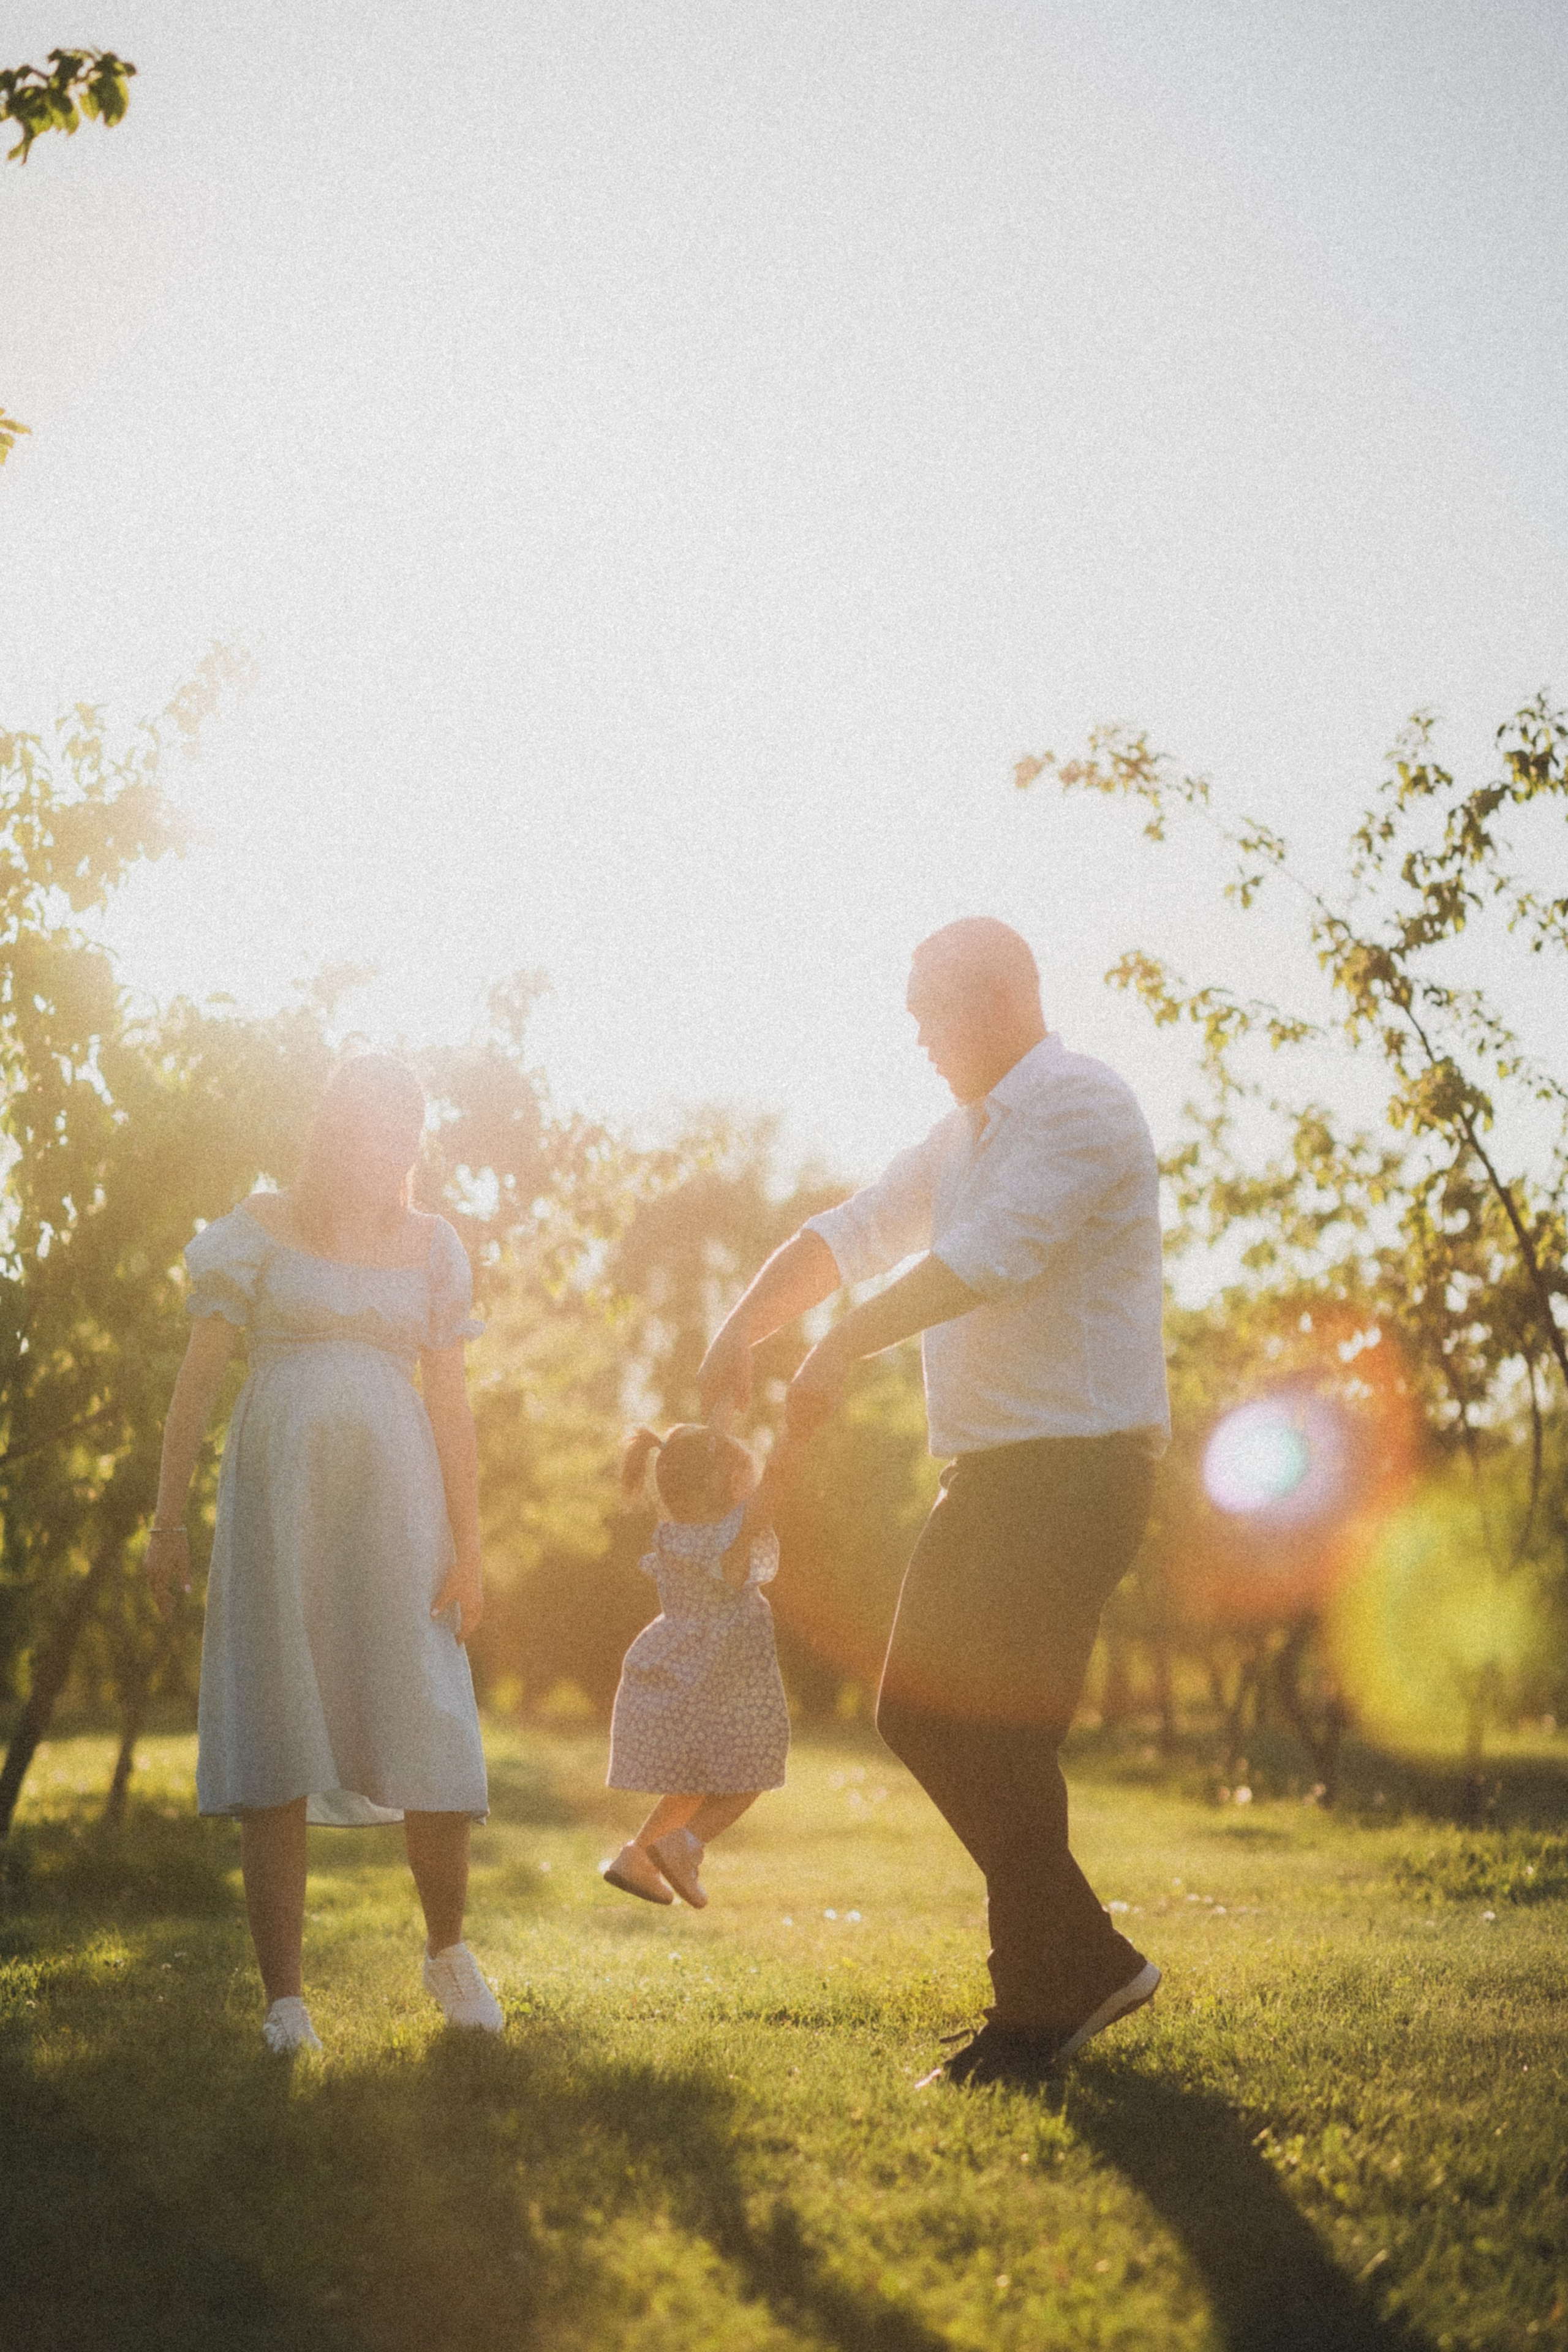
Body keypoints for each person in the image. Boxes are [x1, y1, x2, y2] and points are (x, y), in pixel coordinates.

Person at [699, 918, 1169, 2087]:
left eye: (933, 1010)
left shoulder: (1079, 1107)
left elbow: (995, 1257)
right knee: (922, 1713)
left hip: (1077, 1466)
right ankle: (1081, 1966)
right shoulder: (961, 1136)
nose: (917, 1037)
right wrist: (742, 1325)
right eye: (909, 1015)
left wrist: (838, 1348)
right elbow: (854, 1230)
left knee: (993, 1730)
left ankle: (1039, 2011)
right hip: (1002, 1473)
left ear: (1006, 994)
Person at [145, 1053, 503, 2053]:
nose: (377, 1146)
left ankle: (447, 1953)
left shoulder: (434, 1245)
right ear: (329, 1130)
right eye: (360, 1127)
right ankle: (286, 2003)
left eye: (399, 1131)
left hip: (401, 1512)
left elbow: (453, 1404)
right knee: (281, 1724)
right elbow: (197, 1378)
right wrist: (165, 1521)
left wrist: (471, 1550)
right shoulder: (255, 1230)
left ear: (412, 1142)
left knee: (426, 1717)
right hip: (279, 1507)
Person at [601, 1419, 794, 1909]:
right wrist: (798, 1428)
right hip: (725, 1680)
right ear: (732, 1485)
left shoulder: (674, 1536)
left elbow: (712, 1451)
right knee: (753, 1775)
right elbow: (778, 1481)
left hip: (682, 1674)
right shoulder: (733, 1538)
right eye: (743, 1479)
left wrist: (726, 1395)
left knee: (694, 1781)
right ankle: (685, 1846)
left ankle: (637, 1859)